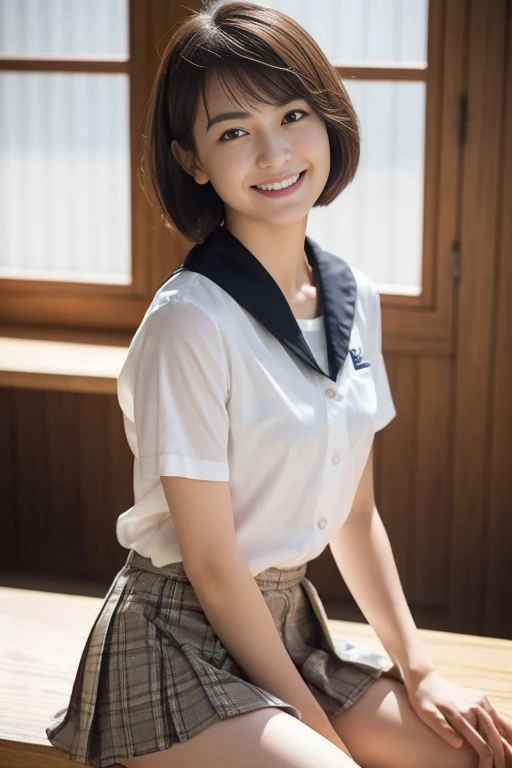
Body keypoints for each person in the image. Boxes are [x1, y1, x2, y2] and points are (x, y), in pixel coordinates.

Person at [46, 2, 512, 767]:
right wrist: (321, 734)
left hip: (288, 622)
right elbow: (214, 564)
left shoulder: (353, 295)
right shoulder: (188, 320)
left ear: (328, 122)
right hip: (172, 637)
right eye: (233, 131)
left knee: (476, 753)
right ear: (192, 160)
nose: (273, 152)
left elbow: (356, 517)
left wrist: (422, 670)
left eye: (293, 114)